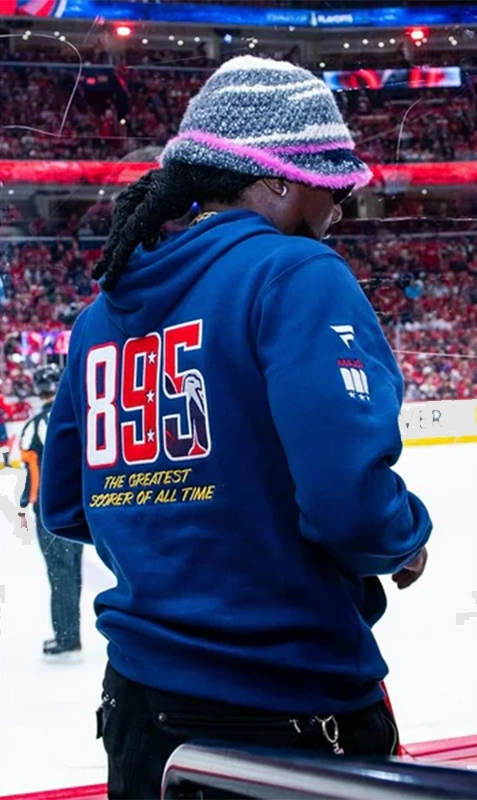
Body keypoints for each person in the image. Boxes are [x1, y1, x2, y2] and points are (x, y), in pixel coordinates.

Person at [41, 56, 432, 797]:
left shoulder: (100, 315)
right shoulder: (295, 273)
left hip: (139, 716)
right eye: (331, 183)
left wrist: (177, 521)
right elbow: (349, 507)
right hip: (284, 709)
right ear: (278, 180)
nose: (341, 206)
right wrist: (406, 539)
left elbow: (65, 503)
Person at [20, 364, 83, 662]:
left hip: (50, 510)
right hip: (78, 507)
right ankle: (72, 632)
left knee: (60, 573)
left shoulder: (34, 425)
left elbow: (31, 470)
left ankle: (67, 637)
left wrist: (26, 500)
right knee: (73, 572)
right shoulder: (76, 416)